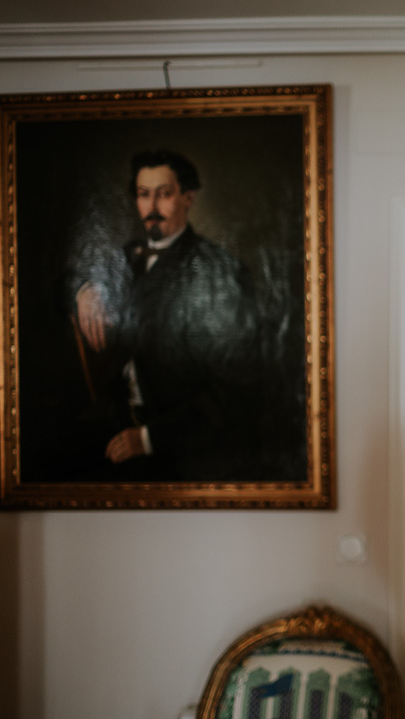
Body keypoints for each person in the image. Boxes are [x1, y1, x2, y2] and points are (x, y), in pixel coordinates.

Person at [70, 149, 260, 480]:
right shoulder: (128, 257)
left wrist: (148, 439)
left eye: (164, 194)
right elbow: (65, 281)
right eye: (144, 195)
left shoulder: (220, 270)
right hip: (114, 431)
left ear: (188, 198)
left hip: (185, 450)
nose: (152, 207)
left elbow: (233, 388)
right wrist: (84, 291)